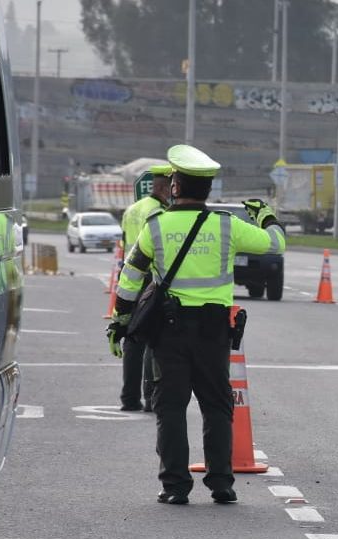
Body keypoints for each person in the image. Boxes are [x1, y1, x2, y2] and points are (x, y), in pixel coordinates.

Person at [106, 144, 285, 505]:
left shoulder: (156, 227)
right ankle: (221, 483)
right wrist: (267, 216)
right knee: (217, 406)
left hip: (167, 331)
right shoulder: (227, 225)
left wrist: (119, 321)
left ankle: (175, 485)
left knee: (169, 406)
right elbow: (276, 245)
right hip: (213, 331)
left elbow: (130, 276)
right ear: (207, 189)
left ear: (175, 186)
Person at [117, 164, 172, 412]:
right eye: (170, 186)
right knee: (153, 339)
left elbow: (123, 243)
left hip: (129, 277)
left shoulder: (132, 210)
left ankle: (129, 398)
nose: (172, 192)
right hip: (149, 280)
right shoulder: (158, 212)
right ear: (162, 187)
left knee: (132, 340)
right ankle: (150, 396)